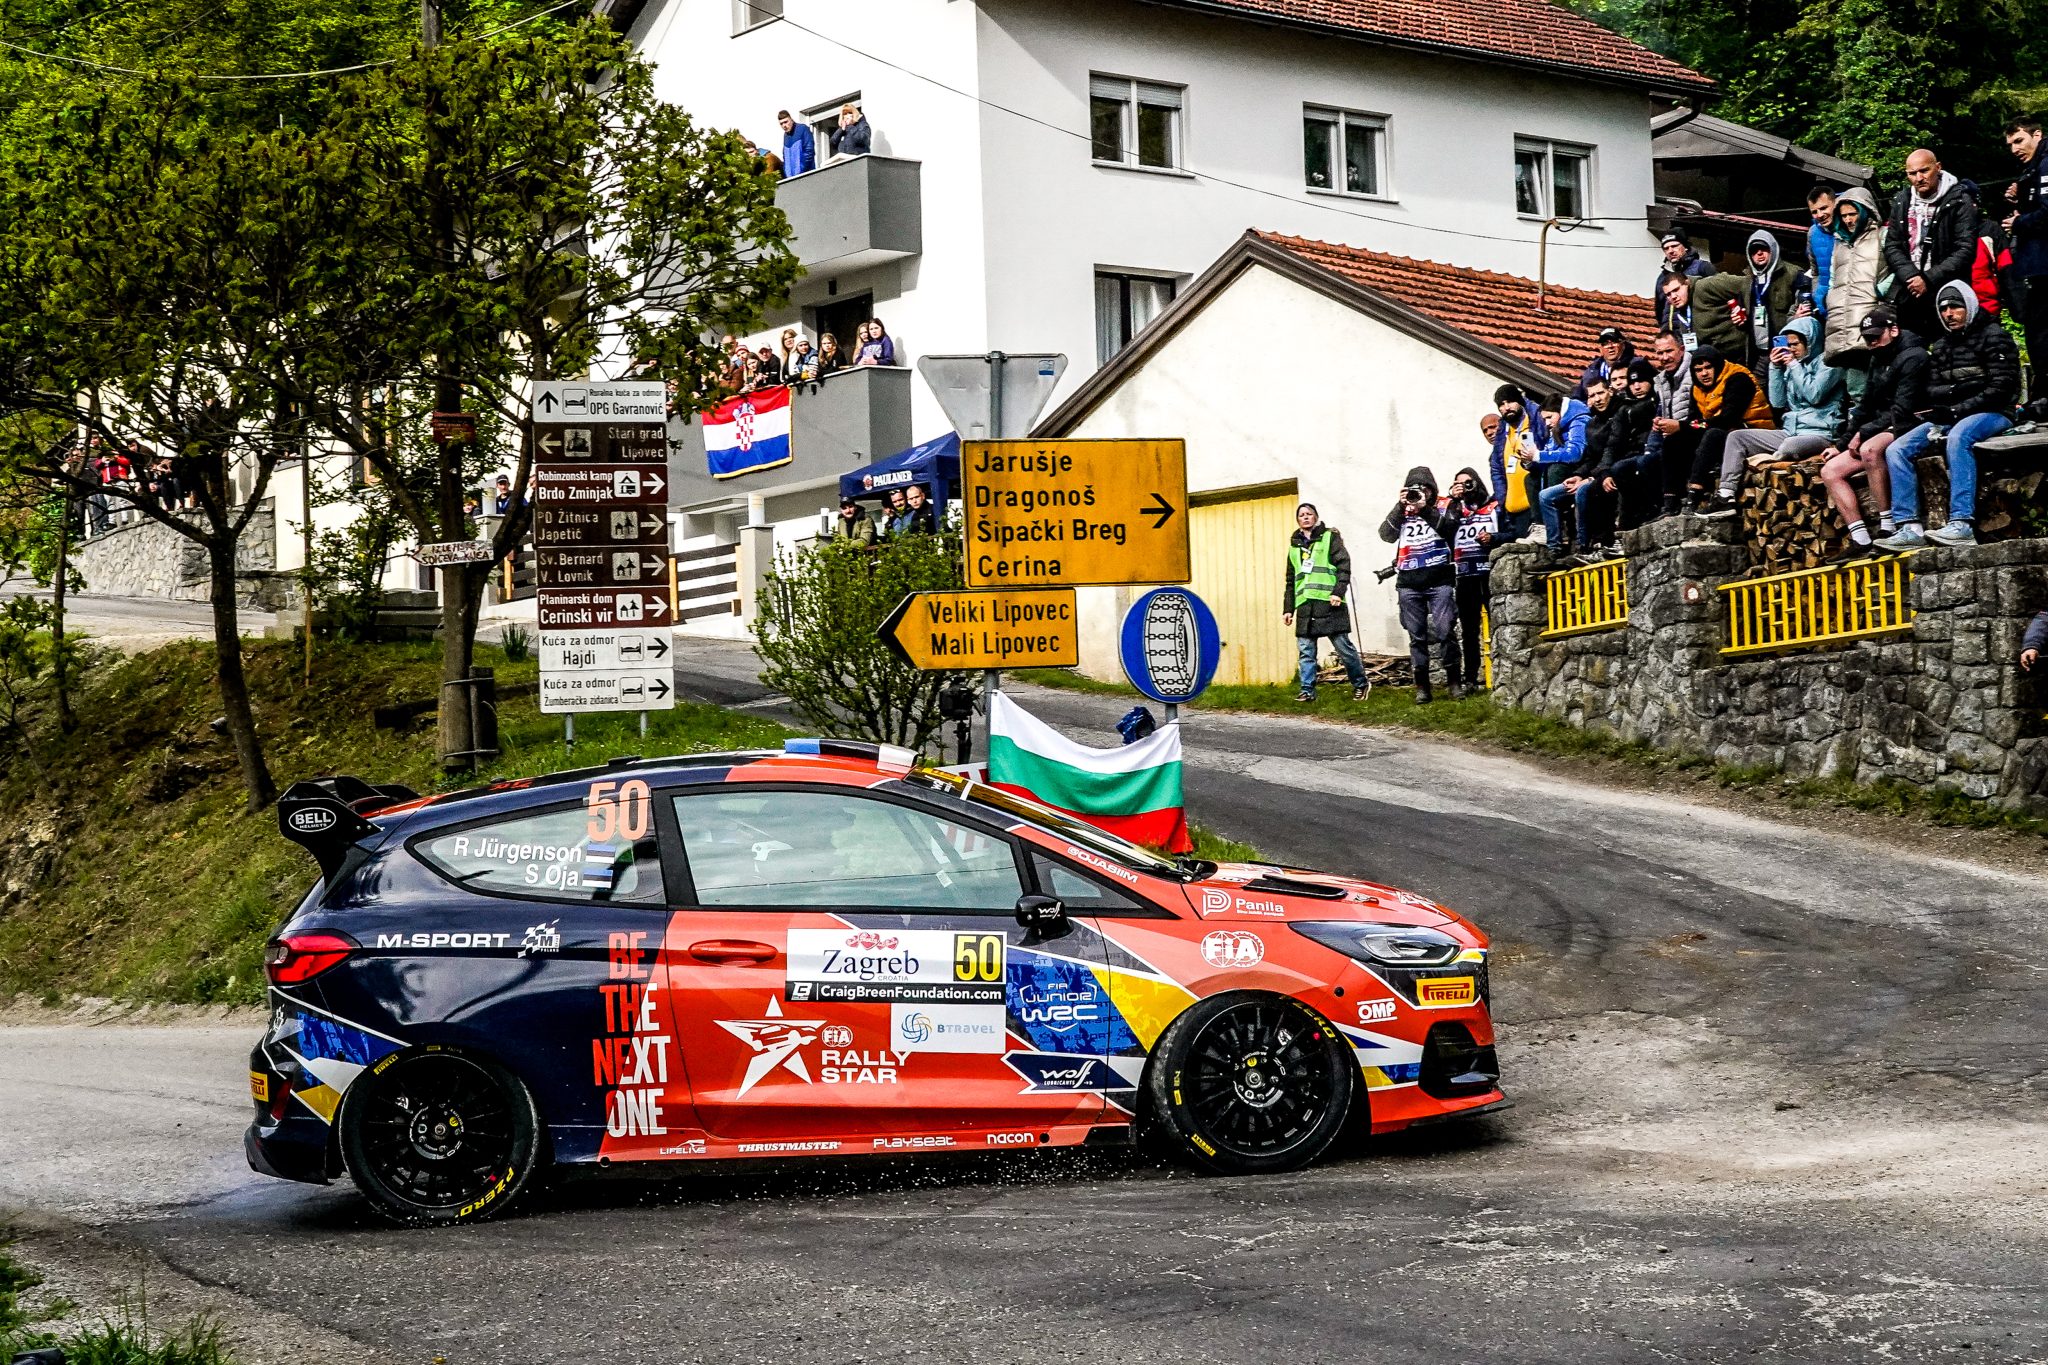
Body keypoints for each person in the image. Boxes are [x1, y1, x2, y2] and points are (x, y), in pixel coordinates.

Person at [1875, 281, 2021, 548]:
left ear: (1969, 307)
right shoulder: (1941, 345)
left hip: (1995, 412)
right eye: (1943, 309)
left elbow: (2001, 388)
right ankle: (1909, 527)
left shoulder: (1994, 336)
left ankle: (1961, 523)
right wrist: (1957, 393)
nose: (1948, 314)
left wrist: (1957, 406)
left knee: (1959, 437)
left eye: (1955, 307)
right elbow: (1931, 389)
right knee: (1896, 449)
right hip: (1950, 415)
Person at [1818, 308, 1928, 556]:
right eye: (1868, 339)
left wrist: (1863, 433)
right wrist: (1841, 444)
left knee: (1869, 450)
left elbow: (1903, 408)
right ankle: (1860, 537)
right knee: (1830, 471)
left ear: (1894, 330)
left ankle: (1887, 525)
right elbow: (1865, 406)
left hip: (1909, 422)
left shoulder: (1914, 356)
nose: (1872, 343)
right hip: (1880, 424)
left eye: (1876, 336)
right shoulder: (1877, 359)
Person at [1713, 314, 1844, 506]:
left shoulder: (1829, 363)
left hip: (1820, 432)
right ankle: (1726, 494)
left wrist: (1793, 365)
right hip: (1790, 430)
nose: (1791, 349)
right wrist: (1774, 368)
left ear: (1810, 341)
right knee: (1737, 437)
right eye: (1787, 344)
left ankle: (1770, 461)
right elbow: (1777, 401)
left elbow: (1814, 394)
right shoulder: (1792, 366)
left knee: (1790, 446)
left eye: (1795, 344)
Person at [1376, 470, 1464, 704]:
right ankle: (1422, 687)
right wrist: (1400, 506)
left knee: (1446, 631)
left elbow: (1450, 530)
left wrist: (1424, 509)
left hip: (1439, 579)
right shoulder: (1402, 510)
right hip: (1409, 582)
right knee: (1417, 637)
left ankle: (1455, 683)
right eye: (1414, 489)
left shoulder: (1445, 505)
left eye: (1424, 489)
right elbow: (1385, 535)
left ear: (1432, 490)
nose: (1419, 493)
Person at [1883, 148, 1982, 340]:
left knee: (1949, 347)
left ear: (1938, 167)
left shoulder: (1960, 200)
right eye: (1912, 173)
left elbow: (1965, 249)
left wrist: (1928, 279)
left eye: (1924, 171)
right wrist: (1910, 276)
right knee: (1909, 347)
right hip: (1908, 290)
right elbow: (1892, 245)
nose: (1919, 178)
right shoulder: (1901, 200)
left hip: (1947, 289)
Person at [1283, 503, 1372, 703]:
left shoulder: (1330, 537)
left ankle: (1361, 684)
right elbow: (1291, 581)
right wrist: (1288, 609)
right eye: (1301, 515)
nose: (1305, 517)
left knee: (1344, 649)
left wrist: (1338, 592)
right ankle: (1307, 691)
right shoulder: (1294, 547)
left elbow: (1343, 566)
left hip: (1330, 603)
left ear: (1316, 517)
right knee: (1306, 652)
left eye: (1309, 514)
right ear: (1298, 520)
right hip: (1305, 605)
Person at [1681, 345, 1776, 511]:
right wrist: (1683, 427)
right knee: (1676, 439)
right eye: (1698, 370)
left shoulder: (1738, 378)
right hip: (1724, 431)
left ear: (1718, 365)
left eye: (1708, 367)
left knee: (1713, 434)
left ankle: (1695, 493)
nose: (1704, 373)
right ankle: (1670, 501)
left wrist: (1685, 425)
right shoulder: (1697, 389)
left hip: (1754, 432)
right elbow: (1694, 421)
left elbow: (1728, 420)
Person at [1538, 377, 1617, 559]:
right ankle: (1554, 548)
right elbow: (1590, 457)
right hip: (1587, 473)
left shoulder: (1582, 420)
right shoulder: (1592, 423)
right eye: (1592, 395)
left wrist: (1590, 478)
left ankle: (1583, 546)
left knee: (1581, 490)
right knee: (1545, 496)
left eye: (1600, 393)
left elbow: (1579, 453)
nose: (1596, 399)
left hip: (1604, 473)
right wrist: (1578, 475)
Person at [1821, 187, 1886, 398]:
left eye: (1853, 213)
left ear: (1865, 210)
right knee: (1855, 388)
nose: (1848, 220)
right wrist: (1830, 298)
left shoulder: (1882, 236)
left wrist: (1880, 290)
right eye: (1844, 215)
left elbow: (1896, 270)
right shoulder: (1839, 243)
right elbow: (1833, 280)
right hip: (1842, 322)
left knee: (1881, 384)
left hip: (1872, 318)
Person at [2004, 116, 2047, 399]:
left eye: (2019, 140)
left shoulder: (2045, 164)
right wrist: (2018, 197)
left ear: (2037, 135)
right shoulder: (2033, 167)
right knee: (2036, 330)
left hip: (2043, 265)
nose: (2015, 149)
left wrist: (2017, 223)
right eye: (2010, 144)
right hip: (2036, 265)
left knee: (2040, 331)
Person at [1446, 467, 1498, 689]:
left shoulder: (1494, 505)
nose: (1465, 488)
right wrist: (1453, 500)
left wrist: (1493, 538)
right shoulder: (1453, 509)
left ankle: (1501, 673)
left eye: (1468, 483)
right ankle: (1470, 678)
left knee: (1497, 625)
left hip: (1488, 572)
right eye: (1459, 484)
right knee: (1469, 630)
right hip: (1465, 575)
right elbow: (1444, 529)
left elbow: (1509, 531)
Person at [1640, 330, 1697, 518]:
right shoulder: (1661, 380)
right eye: (1660, 353)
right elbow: (1663, 412)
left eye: (1669, 351)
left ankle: (1671, 503)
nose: (1664, 357)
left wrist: (1679, 425)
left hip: (1694, 433)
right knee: (1633, 465)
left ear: (1682, 349)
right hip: (1671, 437)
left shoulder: (1694, 373)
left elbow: (1699, 414)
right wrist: (1659, 423)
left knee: (1668, 448)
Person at [1599, 359, 1660, 535]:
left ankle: (1653, 508)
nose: (1637, 387)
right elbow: (1613, 443)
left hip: (1654, 451)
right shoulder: (1624, 408)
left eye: (1641, 381)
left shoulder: (1659, 400)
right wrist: (1605, 471)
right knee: (1616, 471)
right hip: (1630, 456)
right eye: (1632, 383)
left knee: (1642, 464)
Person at [1485, 384, 1548, 536]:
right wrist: (1503, 501)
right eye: (1501, 404)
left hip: (1536, 504)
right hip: (1514, 510)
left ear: (1520, 401)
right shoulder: (1502, 432)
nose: (1506, 407)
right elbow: (1496, 470)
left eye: (1510, 401)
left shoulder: (1535, 421)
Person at [1736, 230, 1803, 368]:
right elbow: (1743, 317)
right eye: (1754, 250)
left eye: (1763, 248)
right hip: (1758, 354)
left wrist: (1797, 318)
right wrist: (1739, 320)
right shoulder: (1746, 280)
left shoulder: (1793, 274)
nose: (1759, 253)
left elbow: (1803, 307)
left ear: (1773, 249)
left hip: (1787, 352)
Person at [1571, 328, 1635, 400]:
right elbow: (1578, 397)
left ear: (1623, 345)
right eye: (1605, 344)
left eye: (1614, 342)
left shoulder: (1636, 365)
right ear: (1600, 349)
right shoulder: (1592, 371)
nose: (1610, 346)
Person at [1807, 186, 1838, 317]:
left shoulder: (1849, 229)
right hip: (1824, 308)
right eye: (1814, 211)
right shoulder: (1812, 233)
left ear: (1835, 204)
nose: (1819, 215)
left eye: (1824, 208)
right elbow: (1815, 272)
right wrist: (1818, 297)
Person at [1658, 272, 1699, 348]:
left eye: (1676, 290)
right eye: (1668, 294)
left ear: (1687, 283)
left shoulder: (1702, 288)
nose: (1673, 296)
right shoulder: (1679, 309)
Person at [778, 110, 815, 177]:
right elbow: (785, 157)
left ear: (791, 119)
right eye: (781, 124)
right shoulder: (785, 136)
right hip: (791, 178)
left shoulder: (803, 129)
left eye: (786, 122)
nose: (784, 125)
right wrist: (787, 174)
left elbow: (809, 151)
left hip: (806, 175)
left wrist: (801, 170)